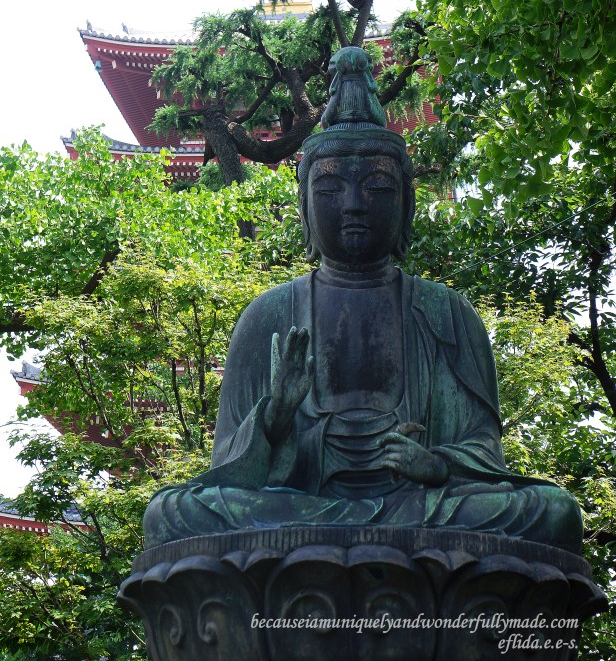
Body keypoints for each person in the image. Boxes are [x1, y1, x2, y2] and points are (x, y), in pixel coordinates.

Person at [143, 48, 583, 553]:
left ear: (406, 203)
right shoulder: (267, 316)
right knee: (173, 514)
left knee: (553, 513)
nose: (353, 205)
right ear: (305, 207)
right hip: (302, 507)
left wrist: (437, 464)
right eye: (330, 189)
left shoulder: (447, 313)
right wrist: (277, 413)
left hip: (418, 507)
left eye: (377, 187)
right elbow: (229, 466)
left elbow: (483, 449)